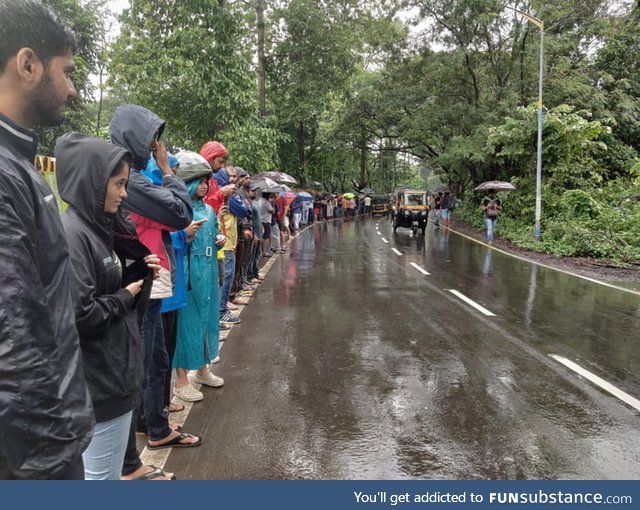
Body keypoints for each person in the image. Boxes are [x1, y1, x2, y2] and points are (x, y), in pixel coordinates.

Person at [0, 0, 93, 479]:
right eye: (68, 71)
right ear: (28, 64)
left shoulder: (20, 164)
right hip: (37, 457)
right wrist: (53, 460)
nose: (73, 89)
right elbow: (12, 340)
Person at [56, 133, 160, 480]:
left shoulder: (99, 229)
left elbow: (104, 283)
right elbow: (80, 313)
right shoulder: (73, 235)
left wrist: (139, 271)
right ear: (93, 183)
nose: (124, 193)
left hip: (114, 378)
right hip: (100, 387)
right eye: (118, 184)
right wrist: (126, 296)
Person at [110, 104, 200, 478]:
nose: (156, 145)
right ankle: (129, 462)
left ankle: (156, 428)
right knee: (140, 368)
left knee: (156, 361)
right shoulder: (129, 178)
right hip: (135, 283)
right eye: (151, 138)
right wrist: (167, 171)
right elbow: (180, 213)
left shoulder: (129, 176)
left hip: (147, 284)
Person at [173, 152, 225, 402]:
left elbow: (215, 232)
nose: (204, 186)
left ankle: (203, 369)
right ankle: (181, 379)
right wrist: (184, 235)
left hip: (208, 271)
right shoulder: (177, 210)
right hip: (188, 274)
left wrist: (219, 240)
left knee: (207, 319)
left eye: (207, 182)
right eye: (200, 181)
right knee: (186, 324)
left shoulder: (209, 210)